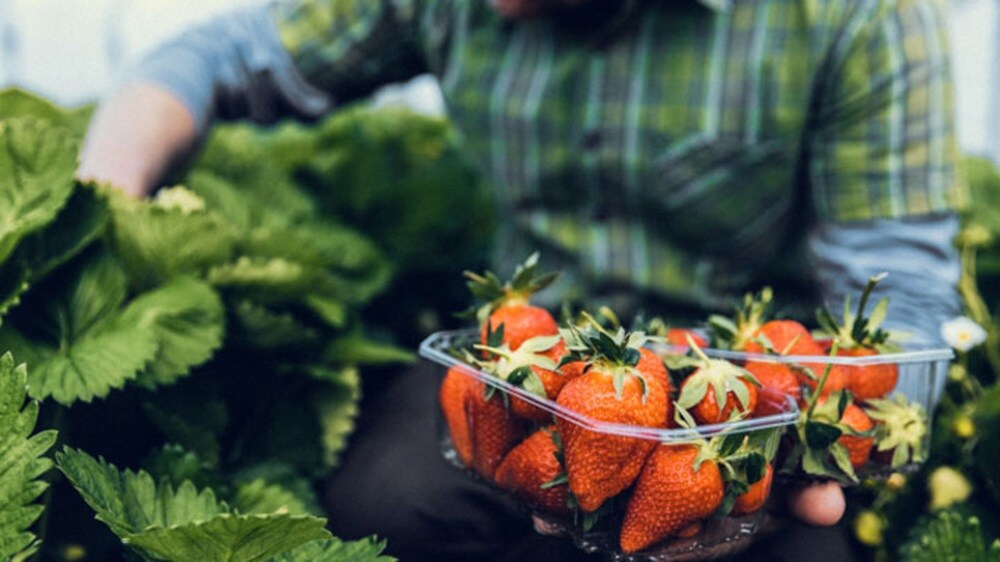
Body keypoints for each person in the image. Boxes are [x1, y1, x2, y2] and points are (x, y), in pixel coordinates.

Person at [77, 0, 964, 560]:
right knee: (377, 510)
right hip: (518, 359)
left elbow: (899, 306)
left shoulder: (857, 15)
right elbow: (221, 57)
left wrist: (828, 444)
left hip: (740, 398)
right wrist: (99, 206)